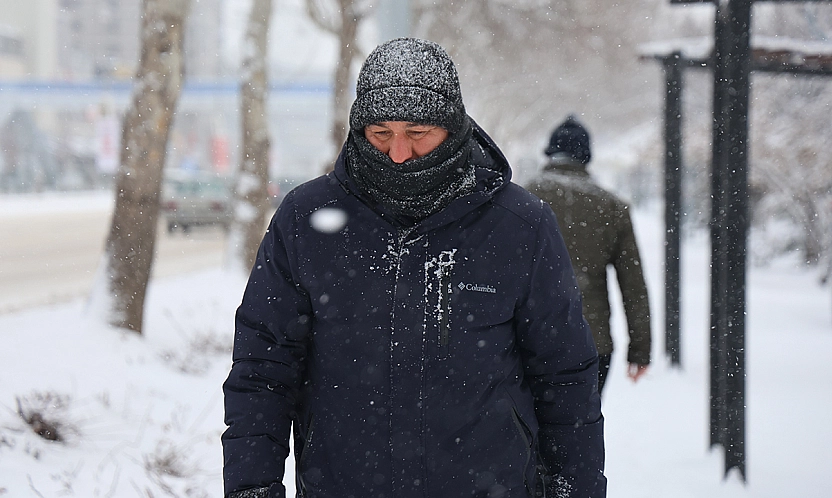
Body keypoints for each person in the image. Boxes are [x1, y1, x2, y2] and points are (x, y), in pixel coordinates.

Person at [222, 38, 606, 498]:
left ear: (453, 127)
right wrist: (251, 489)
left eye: (418, 132)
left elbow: (564, 377)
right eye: (380, 133)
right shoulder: (306, 220)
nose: (398, 152)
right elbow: (263, 371)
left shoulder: (520, 226)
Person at [525, 115, 651, 396]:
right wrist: (640, 349)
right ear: (586, 157)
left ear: (549, 152)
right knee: (582, 420)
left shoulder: (523, 200)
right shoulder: (612, 207)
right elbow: (633, 286)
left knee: (526, 421)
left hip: (531, 338)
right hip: (592, 340)